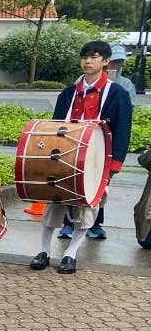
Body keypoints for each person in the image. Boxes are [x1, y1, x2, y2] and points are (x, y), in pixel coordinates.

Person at [30, 41, 133, 274]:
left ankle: (70, 253)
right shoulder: (69, 93)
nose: (88, 61)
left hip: (96, 160)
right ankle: (43, 251)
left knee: (88, 207)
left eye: (94, 57)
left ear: (105, 61)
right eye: (85, 57)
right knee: (53, 202)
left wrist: (113, 167)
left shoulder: (117, 94)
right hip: (63, 157)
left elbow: (122, 132)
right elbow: (55, 125)